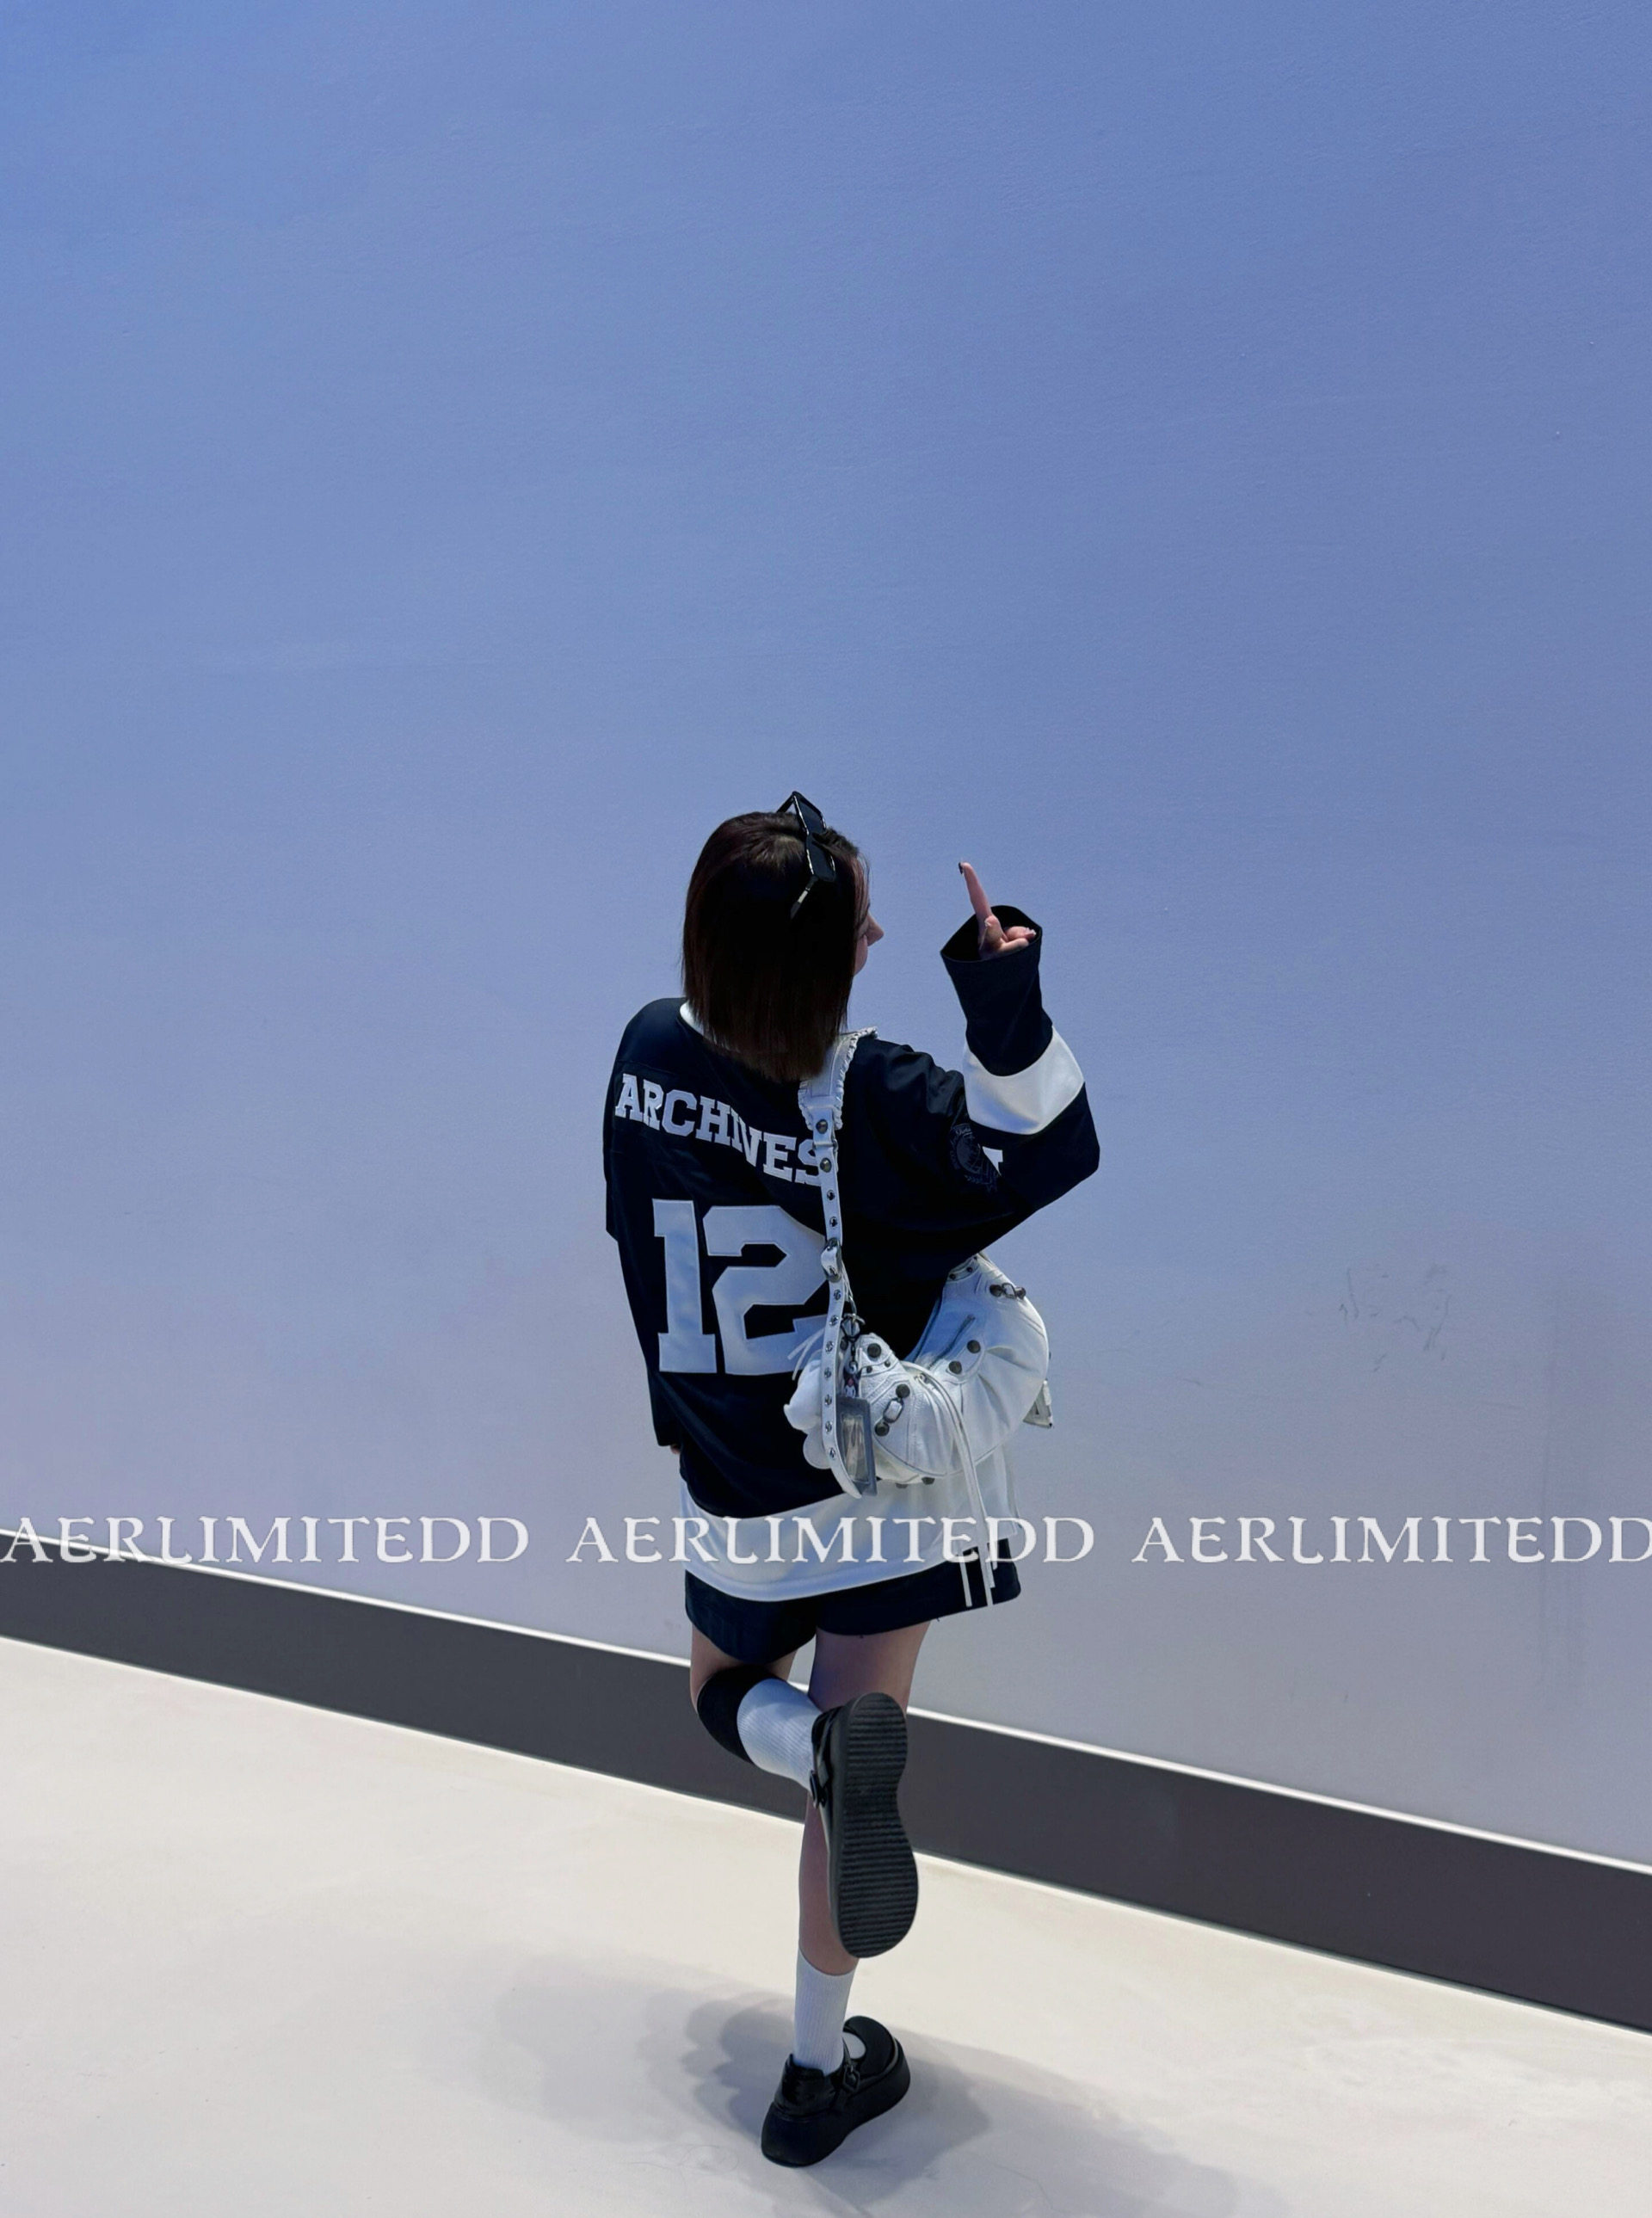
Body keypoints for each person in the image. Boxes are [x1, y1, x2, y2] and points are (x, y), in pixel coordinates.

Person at [602, 794, 1099, 2166]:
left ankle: (804, 1745)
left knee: (721, 1695)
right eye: (862, 926)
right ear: (819, 963)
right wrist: (1000, 994)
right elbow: (1050, 1146)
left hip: (739, 1487)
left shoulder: (645, 1055)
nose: (878, 937)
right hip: (879, 1492)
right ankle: (816, 2068)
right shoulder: (873, 1098)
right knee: (857, 1758)